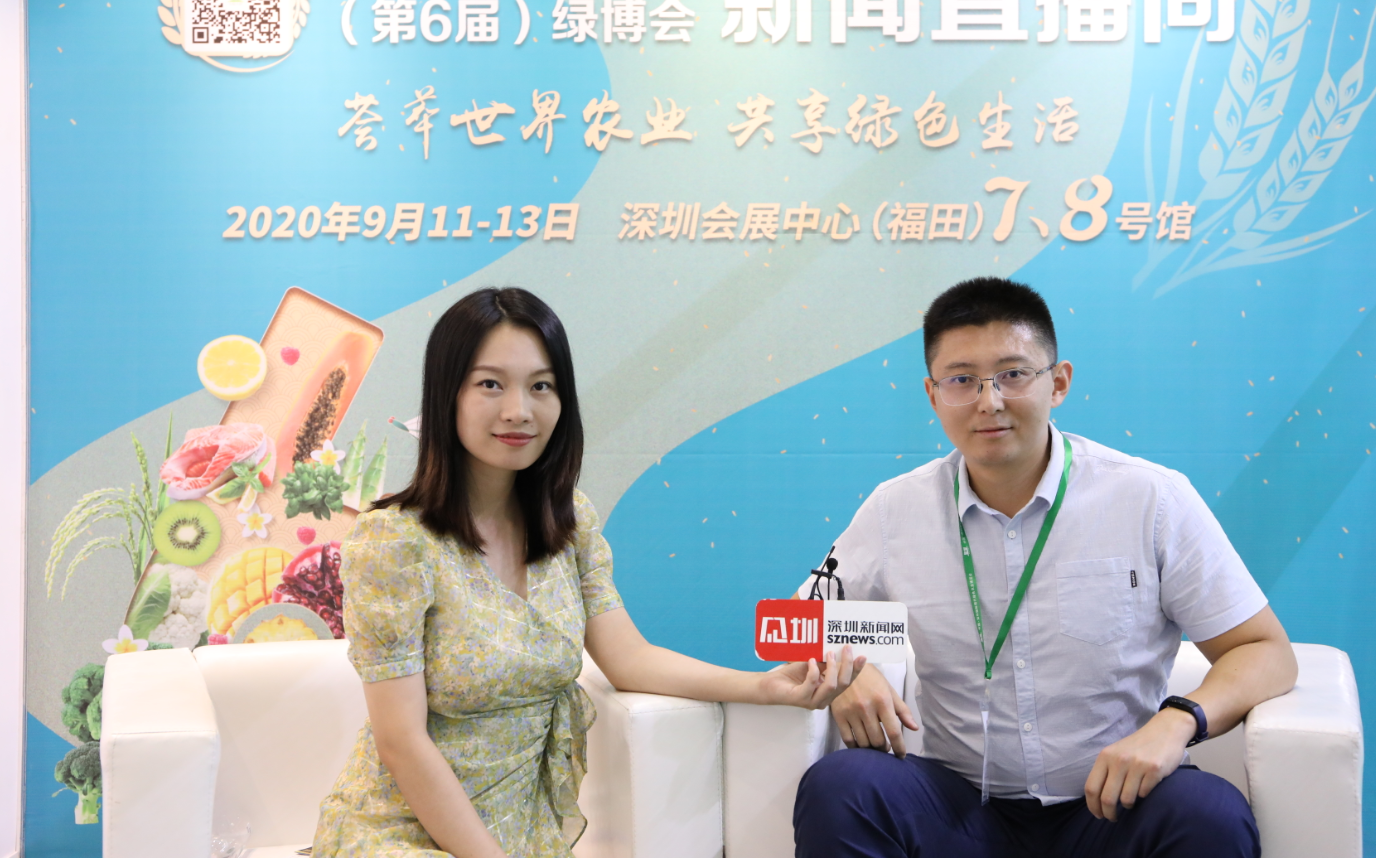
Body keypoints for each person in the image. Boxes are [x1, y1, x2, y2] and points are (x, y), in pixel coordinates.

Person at [312, 287, 861, 859]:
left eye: (541, 386)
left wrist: (763, 687)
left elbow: (630, 658)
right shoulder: (395, 540)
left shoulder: (567, 522)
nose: (518, 410)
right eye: (490, 384)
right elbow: (401, 742)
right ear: (446, 393)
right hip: (400, 832)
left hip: (524, 835)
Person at [791, 277, 1297, 858]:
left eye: (1013, 374)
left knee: (1209, 812)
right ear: (933, 395)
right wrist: (844, 670)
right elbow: (791, 621)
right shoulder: (895, 509)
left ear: (1058, 382)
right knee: (842, 786)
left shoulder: (1150, 499)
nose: (989, 401)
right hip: (956, 807)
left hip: (1113, 805)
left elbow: (1265, 650)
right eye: (962, 380)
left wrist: (1176, 722)